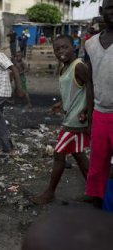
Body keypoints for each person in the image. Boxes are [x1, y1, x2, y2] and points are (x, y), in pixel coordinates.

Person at [31, 35, 90, 205]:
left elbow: (93, 88)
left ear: (75, 48)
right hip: (70, 117)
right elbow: (76, 91)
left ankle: (50, 193)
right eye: (57, 49)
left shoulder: (79, 67)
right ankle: (95, 191)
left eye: (65, 47)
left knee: (59, 154)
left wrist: (86, 110)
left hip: (76, 122)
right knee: (79, 155)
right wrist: (62, 103)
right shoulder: (65, 68)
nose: (60, 51)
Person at [85, 0, 113, 209]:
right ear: (102, 11)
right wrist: (90, 113)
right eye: (111, 7)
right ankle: (97, 207)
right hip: (100, 113)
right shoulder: (91, 44)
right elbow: (89, 80)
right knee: (98, 165)